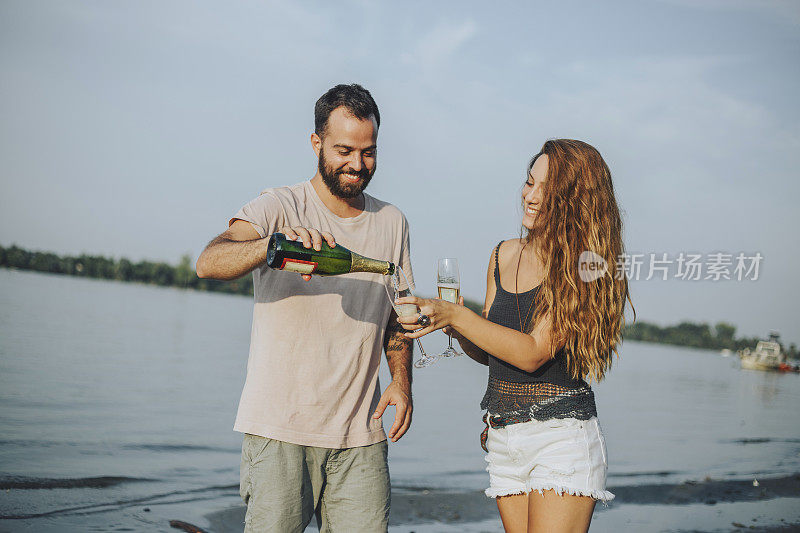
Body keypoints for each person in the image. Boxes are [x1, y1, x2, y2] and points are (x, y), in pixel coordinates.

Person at [196, 83, 415, 532]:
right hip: (279, 432)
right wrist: (274, 245)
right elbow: (209, 262)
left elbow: (397, 313)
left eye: (368, 152)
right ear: (316, 143)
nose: (357, 164)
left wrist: (402, 382)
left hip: (361, 438)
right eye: (344, 150)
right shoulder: (280, 205)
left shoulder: (392, 221)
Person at [396, 139, 633, 533]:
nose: (531, 196)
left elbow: (533, 353)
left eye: (548, 190)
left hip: (560, 439)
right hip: (504, 440)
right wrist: (446, 323)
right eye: (529, 182)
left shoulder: (584, 266)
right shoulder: (503, 253)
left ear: (575, 203)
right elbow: (492, 349)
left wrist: (456, 313)